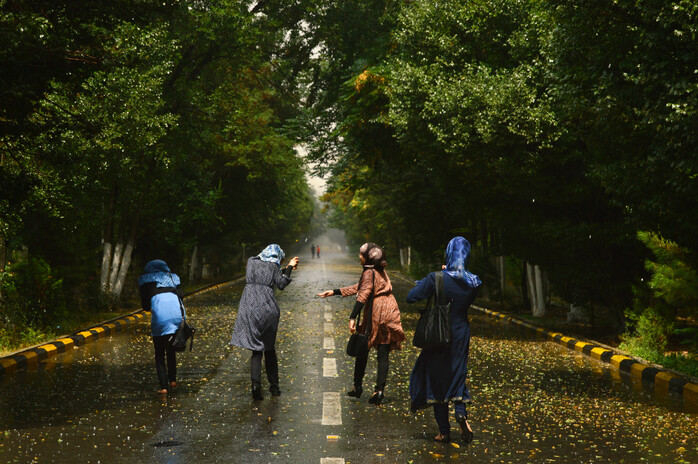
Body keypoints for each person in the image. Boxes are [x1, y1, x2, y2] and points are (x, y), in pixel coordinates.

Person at [406, 236, 481, 444]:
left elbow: (412, 296)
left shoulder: (436, 277)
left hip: (439, 332)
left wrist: (430, 280)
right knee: (458, 373)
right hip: (460, 331)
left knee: (436, 378)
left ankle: (444, 431)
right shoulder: (474, 282)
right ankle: (460, 411)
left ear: (448, 253)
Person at [318, 242, 405, 405]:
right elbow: (360, 287)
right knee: (383, 352)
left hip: (377, 311)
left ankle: (358, 387)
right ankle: (379, 391)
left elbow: (363, 294)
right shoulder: (380, 270)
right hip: (391, 309)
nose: (359, 257)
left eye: (361, 254)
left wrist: (352, 317)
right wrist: (335, 292)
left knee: (363, 347)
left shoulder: (369, 272)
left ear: (368, 257)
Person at [231, 244, 299, 400]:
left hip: (248, 308)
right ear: (277, 257)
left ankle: (256, 386)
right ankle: (274, 388)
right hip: (267, 309)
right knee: (269, 348)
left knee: (256, 349)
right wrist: (288, 268)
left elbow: (265, 274)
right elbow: (280, 284)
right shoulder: (274, 266)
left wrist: (282, 270)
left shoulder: (251, 261)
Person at [138, 259, 184, 395]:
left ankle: (163, 386)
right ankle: (173, 380)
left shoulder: (145, 280)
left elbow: (145, 305)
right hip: (177, 316)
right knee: (171, 349)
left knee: (159, 352)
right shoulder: (173, 277)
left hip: (160, 318)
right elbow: (181, 295)